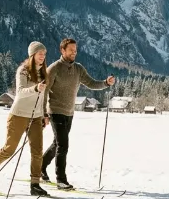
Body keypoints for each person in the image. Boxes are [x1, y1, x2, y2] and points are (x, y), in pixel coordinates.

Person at [41, 38, 115, 190]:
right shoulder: (54, 68)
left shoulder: (79, 69)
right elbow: (44, 92)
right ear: (63, 50)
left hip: (69, 112)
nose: (74, 53)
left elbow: (92, 83)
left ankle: (40, 167)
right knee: (63, 145)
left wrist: (106, 83)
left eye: (75, 50)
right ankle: (61, 180)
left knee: (57, 144)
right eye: (71, 50)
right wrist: (44, 114)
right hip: (55, 111)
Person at [0, 41, 50, 196]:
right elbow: (20, 92)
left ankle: (35, 184)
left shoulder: (44, 72)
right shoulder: (23, 71)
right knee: (10, 148)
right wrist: (35, 88)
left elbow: (44, 96)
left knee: (37, 151)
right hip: (19, 114)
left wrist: (45, 114)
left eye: (44, 54)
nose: (43, 56)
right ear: (32, 54)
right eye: (40, 53)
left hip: (36, 116)